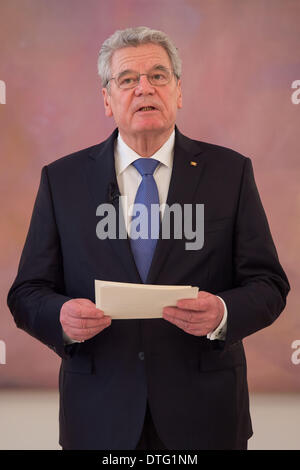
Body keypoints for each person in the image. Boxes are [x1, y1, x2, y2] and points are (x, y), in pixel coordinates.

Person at [7, 26, 290, 451]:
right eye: (127, 80)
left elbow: (269, 285)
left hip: (206, 417)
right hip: (98, 417)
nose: (144, 89)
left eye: (158, 76)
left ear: (178, 92)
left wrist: (224, 313)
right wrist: (61, 317)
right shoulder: (61, 181)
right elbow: (27, 292)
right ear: (107, 99)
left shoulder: (230, 174)